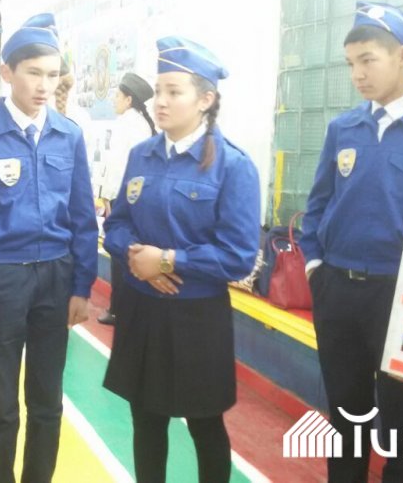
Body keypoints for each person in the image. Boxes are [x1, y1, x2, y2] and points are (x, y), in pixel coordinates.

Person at [102, 36, 259, 483]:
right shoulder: (142, 156)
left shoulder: (232, 166)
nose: (161, 101)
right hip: (143, 307)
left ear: (205, 99)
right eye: (159, 90)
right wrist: (138, 259)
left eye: (174, 91)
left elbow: (238, 256)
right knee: (146, 418)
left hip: (196, 317)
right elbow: (117, 223)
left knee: (204, 423)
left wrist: (168, 261)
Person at [0, 13, 98, 483]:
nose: (43, 86)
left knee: (47, 401)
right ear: (7, 72)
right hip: (2, 280)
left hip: (56, 278)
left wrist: (82, 285)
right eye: (33, 73)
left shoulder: (68, 135)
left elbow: (83, 217)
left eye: (52, 75)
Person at [300, 1, 403, 482]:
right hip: (338, 290)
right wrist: (316, 267)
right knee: (345, 414)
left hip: (401, 295)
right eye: (350, 63)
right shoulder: (344, 128)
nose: (357, 74)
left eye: (368, 60)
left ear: (402, 56)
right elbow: (318, 204)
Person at [96, 72, 156, 326]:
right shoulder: (140, 124)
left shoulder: (129, 125)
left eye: (118, 96)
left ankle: (118, 309)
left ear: (129, 99)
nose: (114, 100)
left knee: (120, 253)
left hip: (124, 200)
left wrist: (108, 197)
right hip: (133, 200)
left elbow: (119, 167)